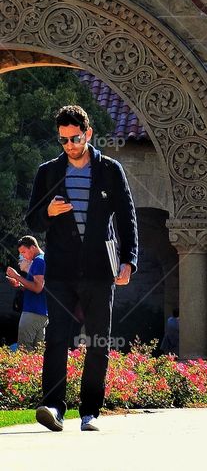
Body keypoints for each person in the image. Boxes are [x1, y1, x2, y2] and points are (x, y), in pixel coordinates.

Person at [26, 105, 137, 432]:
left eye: (75, 137)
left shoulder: (110, 170)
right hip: (60, 270)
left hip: (100, 268)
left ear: (88, 134)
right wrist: (49, 211)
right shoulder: (47, 172)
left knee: (98, 341)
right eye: (63, 140)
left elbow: (127, 218)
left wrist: (129, 260)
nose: (70, 144)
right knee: (57, 338)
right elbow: (32, 219)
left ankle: (89, 412)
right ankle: (53, 407)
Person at [5, 236, 48, 352]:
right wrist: (19, 284)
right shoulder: (43, 259)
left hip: (32, 312)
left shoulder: (39, 260)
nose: (23, 256)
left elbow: (38, 288)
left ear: (33, 248)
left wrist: (16, 276)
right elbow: (38, 287)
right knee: (38, 353)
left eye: (24, 252)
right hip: (42, 313)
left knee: (24, 350)